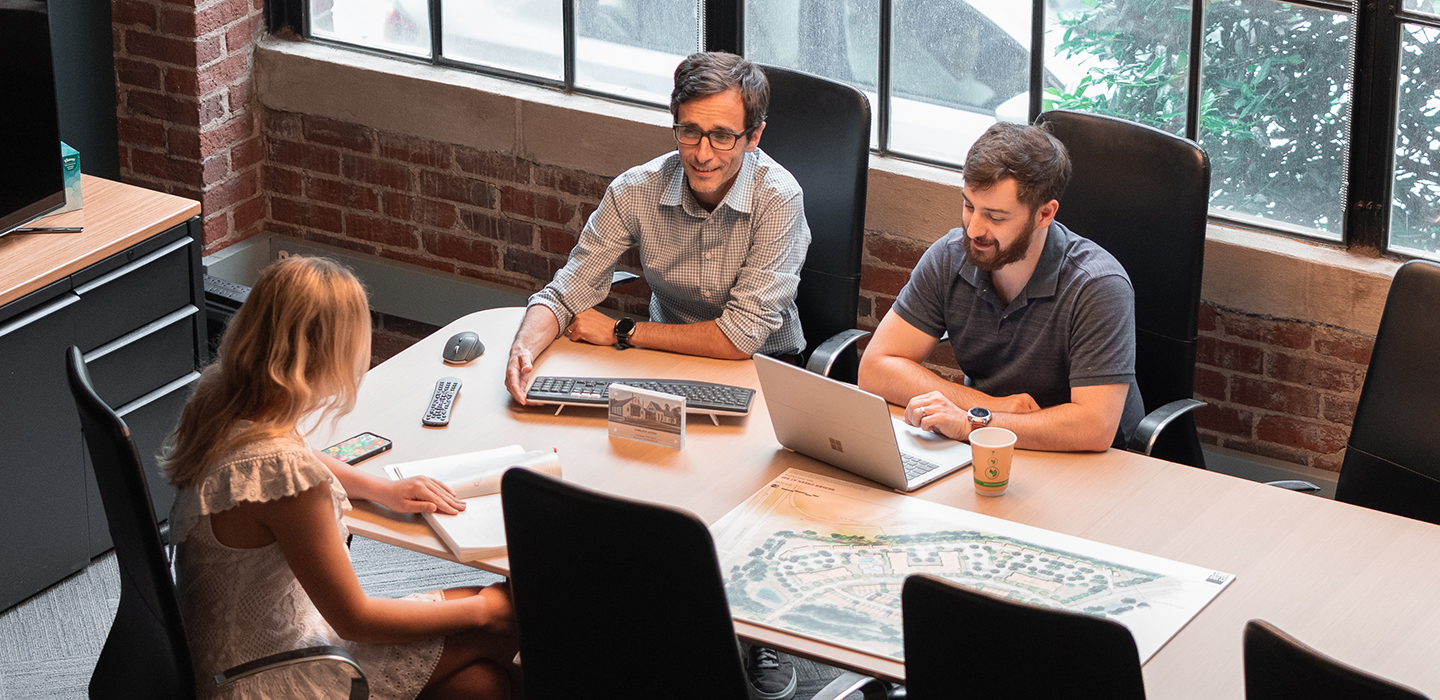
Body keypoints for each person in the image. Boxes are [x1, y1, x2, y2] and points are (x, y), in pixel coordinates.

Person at [164, 256, 520, 699]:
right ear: (329, 354)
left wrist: (382, 489)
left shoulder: (222, 400)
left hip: (229, 654)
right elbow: (357, 620)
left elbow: (296, 451)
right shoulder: (290, 482)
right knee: (509, 625)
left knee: (479, 686)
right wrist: (485, 610)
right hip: (268, 678)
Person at [505, 51, 811, 406]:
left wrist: (623, 331)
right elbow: (565, 293)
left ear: (754, 136)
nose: (702, 154)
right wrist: (522, 349)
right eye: (690, 132)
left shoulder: (779, 199)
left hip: (762, 372)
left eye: (723, 136)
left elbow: (739, 338)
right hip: (662, 365)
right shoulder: (636, 189)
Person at [858, 122, 1143, 452]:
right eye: (969, 206)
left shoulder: (1097, 286)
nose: (973, 230)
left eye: (995, 217)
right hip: (991, 447)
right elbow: (875, 369)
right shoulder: (950, 256)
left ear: (1044, 214)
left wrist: (971, 422)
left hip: (1088, 465)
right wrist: (988, 409)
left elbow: (1094, 427)